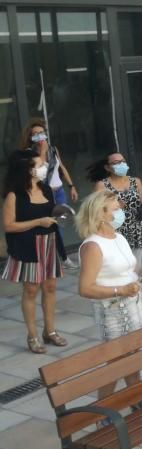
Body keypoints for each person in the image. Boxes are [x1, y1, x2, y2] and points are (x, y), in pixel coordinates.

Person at [75, 190, 142, 401]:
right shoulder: (92, 246)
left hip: (134, 306)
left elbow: (130, 271)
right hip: (113, 311)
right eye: (116, 209)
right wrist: (121, 290)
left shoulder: (119, 237)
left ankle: (135, 397)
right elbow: (85, 288)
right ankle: (101, 409)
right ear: (100, 214)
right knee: (115, 361)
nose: (120, 213)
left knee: (133, 355)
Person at [2, 149, 65, 354]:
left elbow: (51, 213)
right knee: (31, 289)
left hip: (49, 242)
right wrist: (39, 221)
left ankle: (50, 331)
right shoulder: (14, 195)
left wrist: (60, 215)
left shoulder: (46, 189)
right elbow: (9, 226)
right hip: (28, 246)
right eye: (39, 165)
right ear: (27, 170)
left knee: (50, 287)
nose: (44, 168)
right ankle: (33, 335)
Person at [22, 120, 78, 269]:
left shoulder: (53, 149)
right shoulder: (30, 153)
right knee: (51, 225)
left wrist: (71, 186)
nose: (39, 136)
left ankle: (57, 256)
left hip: (59, 192)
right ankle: (63, 258)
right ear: (30, 137)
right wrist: (40, 151)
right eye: (34, 134)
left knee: (59, 224)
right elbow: (36, 174)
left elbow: (62, 167)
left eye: (41, 133)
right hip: (44, 194)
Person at [89, 152, 142, 262]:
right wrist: (115, 207)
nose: (121, 164)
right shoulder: (102, 185)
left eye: (123, 161)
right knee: (120, 265)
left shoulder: (136, 181)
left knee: (135, 266)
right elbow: (95, 211)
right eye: (116, 162)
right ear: (107, 167)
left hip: (136, 230)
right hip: (114, 231)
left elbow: (141, 202)